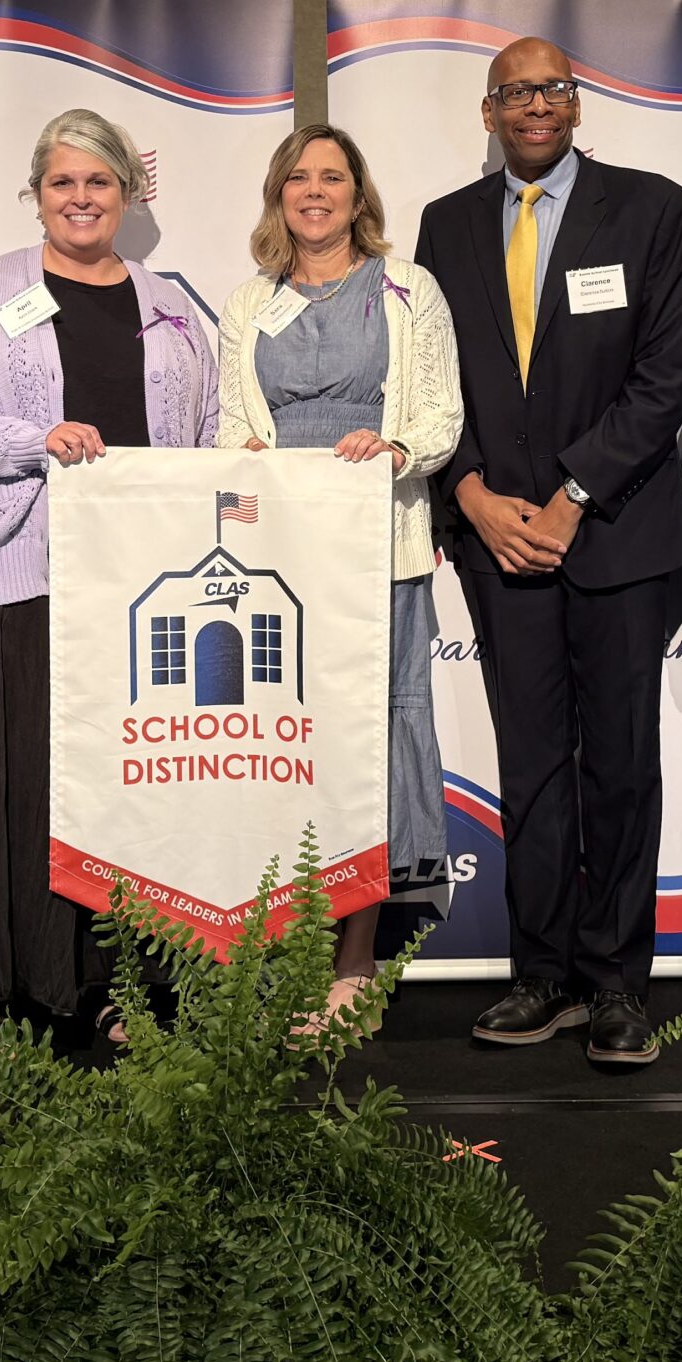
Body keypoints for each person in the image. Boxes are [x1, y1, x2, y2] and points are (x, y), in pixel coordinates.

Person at [0, 108, 218, 1020]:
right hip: (5, 577)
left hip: (136, 587)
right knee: (8, 785)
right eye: (62, 182)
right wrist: (34, 439)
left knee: (117, 793)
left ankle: (108, 984)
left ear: (127, 193)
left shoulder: (172, 305)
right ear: (37, 196)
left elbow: (212, 426)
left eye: (97, 181)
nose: (80, 198)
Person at [412, 35, 682, 1069]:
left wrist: (575, 495)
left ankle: (619, 984)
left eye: (553, 88)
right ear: (489, 111)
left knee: (620, 764)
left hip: (617, 536)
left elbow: (666, 377)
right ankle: (541, 974)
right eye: (515, 92)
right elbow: (436, 379)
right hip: (500, 543)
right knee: (530, 764)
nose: (536, 105)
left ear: (575, 104)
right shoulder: (444, 225)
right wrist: (476, 494)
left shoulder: (655, 208)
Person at [216, 124, 465, 1030]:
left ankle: (352, 960)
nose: (314, 192)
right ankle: (278, 949)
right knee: (287, 751)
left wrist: (393, 448)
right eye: (297, 178)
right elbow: (228, 428)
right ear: (278, 195)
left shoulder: (409, 291)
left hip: (378, 550)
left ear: (359, 196)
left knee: (364, 748)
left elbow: (441, 416)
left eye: (332, 177)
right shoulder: (249, 302)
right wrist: (247, 459)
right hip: (278, 564)